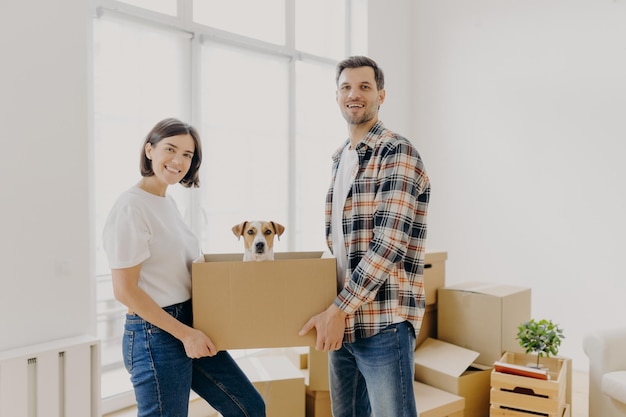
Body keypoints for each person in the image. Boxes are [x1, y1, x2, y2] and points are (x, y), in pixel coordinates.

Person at [102, 118, 266, 417]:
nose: (179, 160)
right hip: (157, 333)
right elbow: (124, 290)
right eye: (170, 149)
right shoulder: (131, 207)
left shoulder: (166, 203)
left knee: (250, 408)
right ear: (149, 150)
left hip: (191, 322)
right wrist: (185, 334)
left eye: (188, 155)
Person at [299, 56, 430, 417]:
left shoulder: (396, 152)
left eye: (364, 87)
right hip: (343, 321)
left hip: (383, 321)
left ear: (381, 95)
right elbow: (339, 244)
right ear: (337, 96)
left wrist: (337, 310)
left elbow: (388, 245)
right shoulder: (341, 157)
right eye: (346, 87)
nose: (354, 94)